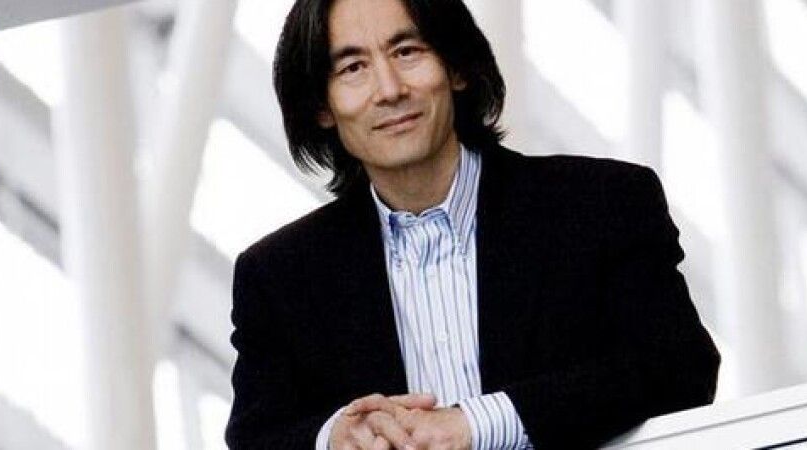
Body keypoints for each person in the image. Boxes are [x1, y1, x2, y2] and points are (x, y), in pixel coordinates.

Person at [225, 0, 721, 448]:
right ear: (322, 107)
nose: (390, 90)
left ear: (457, 67)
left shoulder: (601, 204)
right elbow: (256, 438)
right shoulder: (278, 276)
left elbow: (680, 366)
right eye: (353, 68)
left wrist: (477, 424)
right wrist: (334, 438)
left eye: (407, 52)